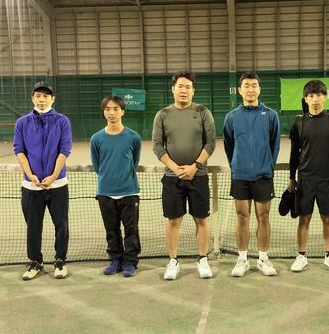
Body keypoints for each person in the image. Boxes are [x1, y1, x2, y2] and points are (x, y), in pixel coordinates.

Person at [152, 71, 216, 280]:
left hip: (199, 176)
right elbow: (157, 146)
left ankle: (203, 259)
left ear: (193, 91)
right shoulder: (163, 115)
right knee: (173, 220)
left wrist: (194, 166)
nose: (184, 90)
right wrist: (175, 168)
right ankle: (173, 261)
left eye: (188, 87)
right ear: (173, 89)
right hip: (172, 178)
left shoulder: (203, 112)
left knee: (202, 219)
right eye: (180, 86)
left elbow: (210, 143)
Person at [223, 72, 280, 277]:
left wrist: (268, 166)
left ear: (259, 89)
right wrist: (237, 165)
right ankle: (242, 259)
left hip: (263, 176)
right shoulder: (231, 117)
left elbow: (275, 144)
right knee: (242, 217)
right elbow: (229, 145)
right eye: (246, 85)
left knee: (263, 217)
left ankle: (263, 259)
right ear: (239, 90)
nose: (250, 89)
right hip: (240, 175)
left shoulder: (271, 115)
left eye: (254, 85)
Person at [14, 81, 73, 280]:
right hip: (31, 186)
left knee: (61, 225)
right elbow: (19, 150)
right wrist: (30, 175)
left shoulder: (62, 121)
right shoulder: (22, 123)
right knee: (33, 227)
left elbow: (65, 149)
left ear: (52, 99)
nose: (42, 99)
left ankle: (60, 261)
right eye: (38, 96)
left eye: (46, 96)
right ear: (33, 98)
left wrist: (54, 176)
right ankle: (35, 262)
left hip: (58, 185)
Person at [287, 79, 329, 273]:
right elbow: (294, 154)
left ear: (325, 97)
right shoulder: (299, 123)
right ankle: (301, 256)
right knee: (304, 219)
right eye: (311, 96)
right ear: (306, 99)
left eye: (319, 95)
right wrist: (292, 177)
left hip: (327, 181)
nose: (315, 99)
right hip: (305, 180)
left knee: (327, 219)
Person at [90, 95, 142, 278]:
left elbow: (134, 162)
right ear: (103, 112)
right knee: (111, 230)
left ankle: (130, 262)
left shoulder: (133, 137)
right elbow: (97, 165)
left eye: (115, 109)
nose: (111, 113)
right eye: (107, 109)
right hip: (105, 192)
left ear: (123, 112)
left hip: (129, 191)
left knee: (131, 230)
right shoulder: (96, 139)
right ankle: (115, 260)